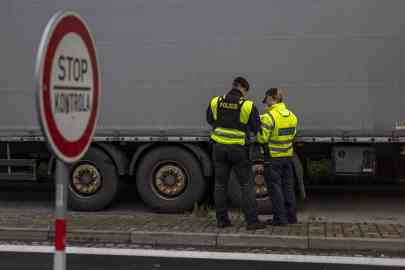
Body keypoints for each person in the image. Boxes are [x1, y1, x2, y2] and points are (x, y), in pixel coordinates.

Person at [207, 77, 265, 230]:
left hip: (218, 148)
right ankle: (252, 222)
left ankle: (222, 221)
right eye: (246, 91)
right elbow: (256, 128)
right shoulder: (247, 105)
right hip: (238, 150)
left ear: (233, 86)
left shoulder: (215, 101)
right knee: (246, 185)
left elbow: (210, 120)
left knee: (220, 185)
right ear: (243, 88)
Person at [257, 88, 298, 226]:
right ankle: (291, 217)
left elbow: (262, 138)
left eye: (266, 98)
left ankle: (280, 219)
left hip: (273, 158)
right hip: (287, 157)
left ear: (272, 98)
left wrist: (257, 129)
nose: (265, 102)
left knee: (275, 190)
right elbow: (293, 136)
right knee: (288, 188)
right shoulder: (292, 116)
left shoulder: (269, 117)